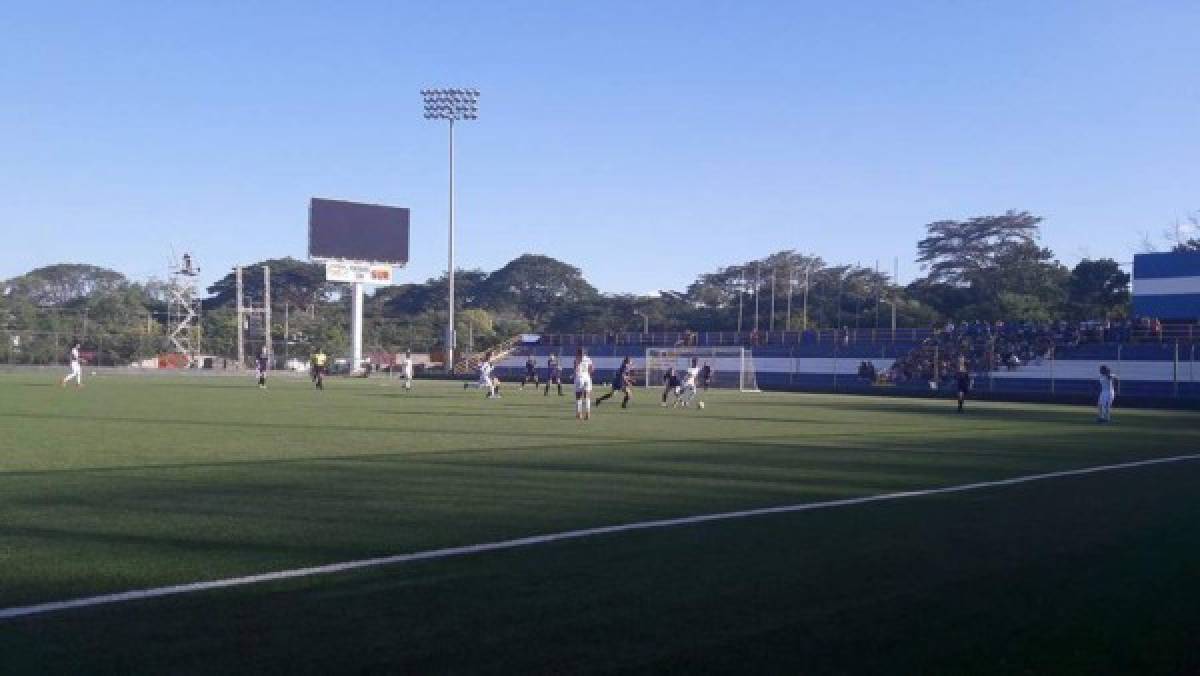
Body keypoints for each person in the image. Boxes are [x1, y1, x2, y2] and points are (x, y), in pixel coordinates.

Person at [573, 347, 594, 421]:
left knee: (578, 397)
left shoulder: (576, 359)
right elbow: (592, 369)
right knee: (587, 396)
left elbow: (575, 369)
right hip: (587, 377)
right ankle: (588, 413)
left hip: (579, 377)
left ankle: (579, 414)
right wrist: (589, 375)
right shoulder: (588, 359)